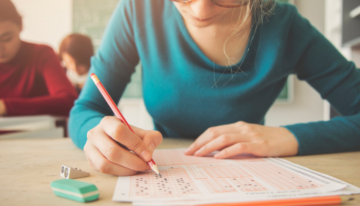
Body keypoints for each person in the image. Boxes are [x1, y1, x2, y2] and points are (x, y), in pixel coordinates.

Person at [69, 0, 360, 176]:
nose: (201, 9)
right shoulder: (139, 9)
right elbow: (86, 110)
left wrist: (290, 137)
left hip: (253, 180)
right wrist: (96, 135)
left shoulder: (285, 25)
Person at [0, 0, 78, 117]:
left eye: (6, 38)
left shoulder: (41, 54)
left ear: (21, 26)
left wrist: (6, 106)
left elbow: (69, 101)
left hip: (40, 134)